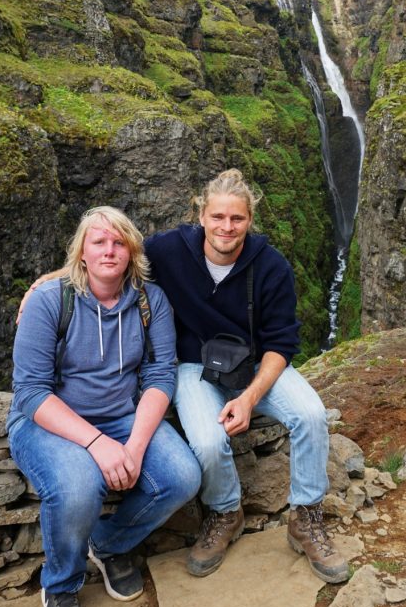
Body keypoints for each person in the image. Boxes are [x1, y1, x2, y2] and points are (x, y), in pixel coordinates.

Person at [143, 169, 350, 584]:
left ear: (249, 220)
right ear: (201, 215)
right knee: (205, 438)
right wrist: (50, 282)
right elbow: (109, 256)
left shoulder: (271, 266)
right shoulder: (167, 251)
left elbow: (281, 343)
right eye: (218, 217)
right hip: (193, 365)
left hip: (255, 363)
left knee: (311, 415)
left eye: (236, 219)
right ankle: (226, 512)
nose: (226, 227)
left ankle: (305, 515)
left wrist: (250, 398)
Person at [8, 206, 201, 607]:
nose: (109, 251)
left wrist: (132, 447)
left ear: (133, 252)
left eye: (119, 243)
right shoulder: (49, 300)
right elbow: (32, 392)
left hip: (121, 414)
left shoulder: (151, 301)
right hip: (47, 420)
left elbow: (159, 377)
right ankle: (60, 586)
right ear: (81, 252)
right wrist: (96, 444)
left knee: (181, 477)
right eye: (99, 242)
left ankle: (109, 545)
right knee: (79, 484)